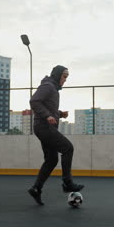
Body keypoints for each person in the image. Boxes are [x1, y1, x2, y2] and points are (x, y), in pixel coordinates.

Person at [27, 65, 84, 205]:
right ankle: (67, 183)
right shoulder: (48, 86)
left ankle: (36, 189)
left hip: (44, 128)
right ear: (57, 75)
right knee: (68, 148)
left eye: (67, 77)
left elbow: (46, 106)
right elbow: (34, 101)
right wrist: (47, 116)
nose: (65, 80)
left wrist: (59, 114)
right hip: (45, 128)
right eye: (64, 76)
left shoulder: (51, 88)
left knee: (52, 160)